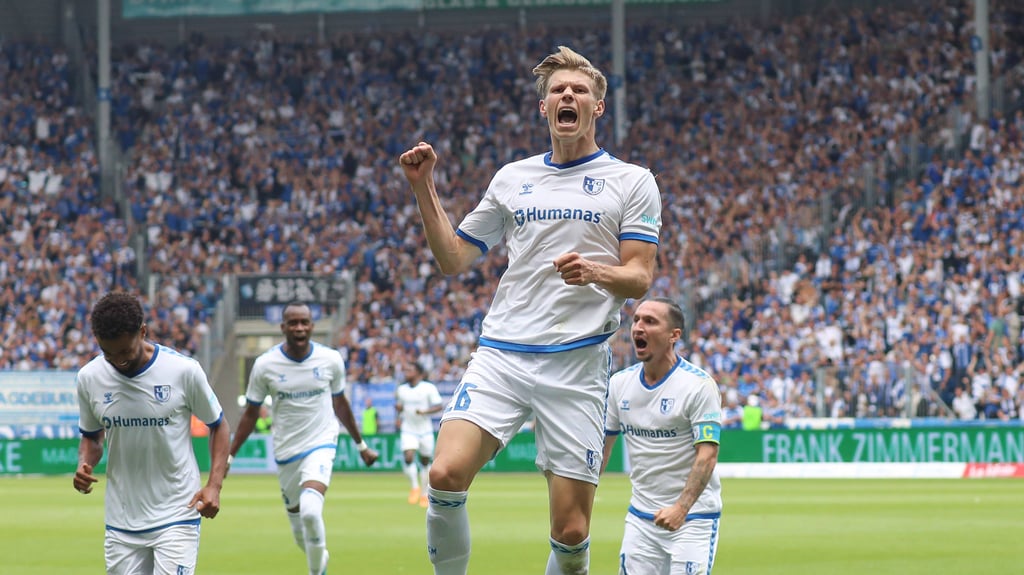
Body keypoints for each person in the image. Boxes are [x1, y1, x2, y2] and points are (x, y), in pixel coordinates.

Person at [399, 45, 661, 575]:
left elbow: (640, 275)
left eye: (580, 90)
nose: (568, 95)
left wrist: (595, 271)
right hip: (504, 355)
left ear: (597, 107)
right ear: (544, 108)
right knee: (445, 474)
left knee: (571, 532)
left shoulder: (632, 181)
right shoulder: (511, 177)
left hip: (578, 364)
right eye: (558, 90)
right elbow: (453, 258)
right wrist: (424, 187)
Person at [73, 291, 230, 575]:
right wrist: (85, 463)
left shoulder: (183, 371)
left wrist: (214, 485)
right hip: (122, 519)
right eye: (109, 353)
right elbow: (92, 436)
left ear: (142, 332)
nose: (118, 361)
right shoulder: (89, 378)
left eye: (125, 352)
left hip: (177, 512)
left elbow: (218, 425)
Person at [227, 301, 379, 575]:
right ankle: (319, 559)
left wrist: (361, 445)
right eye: (293, 323)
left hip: (321, 441)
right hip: (286, 451)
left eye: (304, 322)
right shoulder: (265, 365)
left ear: (312, 326)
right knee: (301, 533)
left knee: (311, 510)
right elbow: (250, 414)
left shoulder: (330, 360)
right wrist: (230, 455)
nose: (299, 328)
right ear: (283, 327)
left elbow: (340, 404)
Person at [602, 297, 723, 575]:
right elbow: (602, 450)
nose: (638, 327)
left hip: (693, 519)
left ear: (674, 336)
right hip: (640, 519)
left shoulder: (698, 386)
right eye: (637, 320)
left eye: (650, 321)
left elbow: (708, 455)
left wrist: (680, 508)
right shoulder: (620, 385)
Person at [395, 361, 444, 507]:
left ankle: (424, 494)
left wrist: (424, 411)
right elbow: (400, 406)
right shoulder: (402, 389)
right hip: (408, 429)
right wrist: (399, 409)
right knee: (408, 456)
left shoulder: (428, 388)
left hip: (425, 431)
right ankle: (415, 487)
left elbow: (438, 406)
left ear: (418, 372)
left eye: (410, 369)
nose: (406, 372)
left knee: (424, 462)